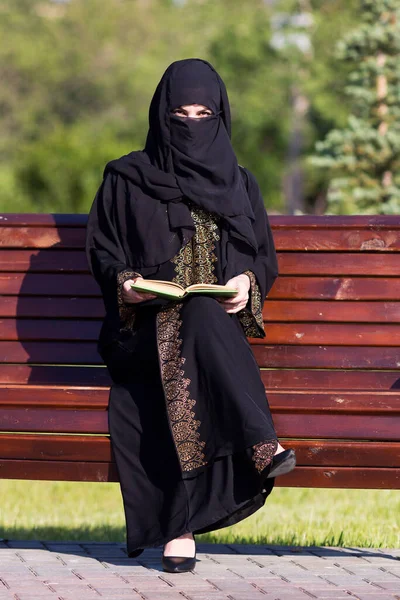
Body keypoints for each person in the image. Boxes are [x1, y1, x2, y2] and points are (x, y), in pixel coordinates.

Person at [85, 58, 296, 574]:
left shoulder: (240, 184)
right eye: (182, 112)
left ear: (220, 117)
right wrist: (127, 286)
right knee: (185, 326)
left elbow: (259, 257)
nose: (192, 122)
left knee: (201, 312)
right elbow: (104, 252)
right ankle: (259, 445)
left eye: (204, 113)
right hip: (141, 329)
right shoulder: (126, 178)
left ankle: (181, 529)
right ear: (162, 115)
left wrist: (246, 284)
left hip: (212, 336)